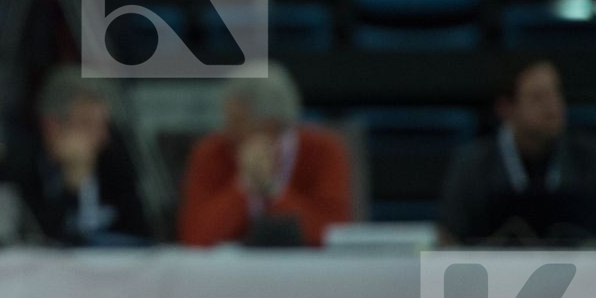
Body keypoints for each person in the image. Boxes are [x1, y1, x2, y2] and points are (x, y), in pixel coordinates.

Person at [440, 57, 596, 247]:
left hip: (582, 273)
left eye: (556, 94)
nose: (552, 107)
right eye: (537, 98)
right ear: (506, 108)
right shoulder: (472, 164)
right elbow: (449, 238)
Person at [178, 66, 353, 247]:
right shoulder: (211, 152)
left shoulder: (324, 151)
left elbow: (332, 235)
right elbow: (195, 238)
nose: (228, 130)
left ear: (272, 127)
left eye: (237, 121)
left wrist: (273, 190)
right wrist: (243, 187)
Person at [20, 68, 149, 245]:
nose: (103, 137)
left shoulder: (114, 159)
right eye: (88, 125)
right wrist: (70, 191)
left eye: (104, 124)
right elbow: (36, 239)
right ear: (52, 127)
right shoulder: (22, 165)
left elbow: (141, 234)